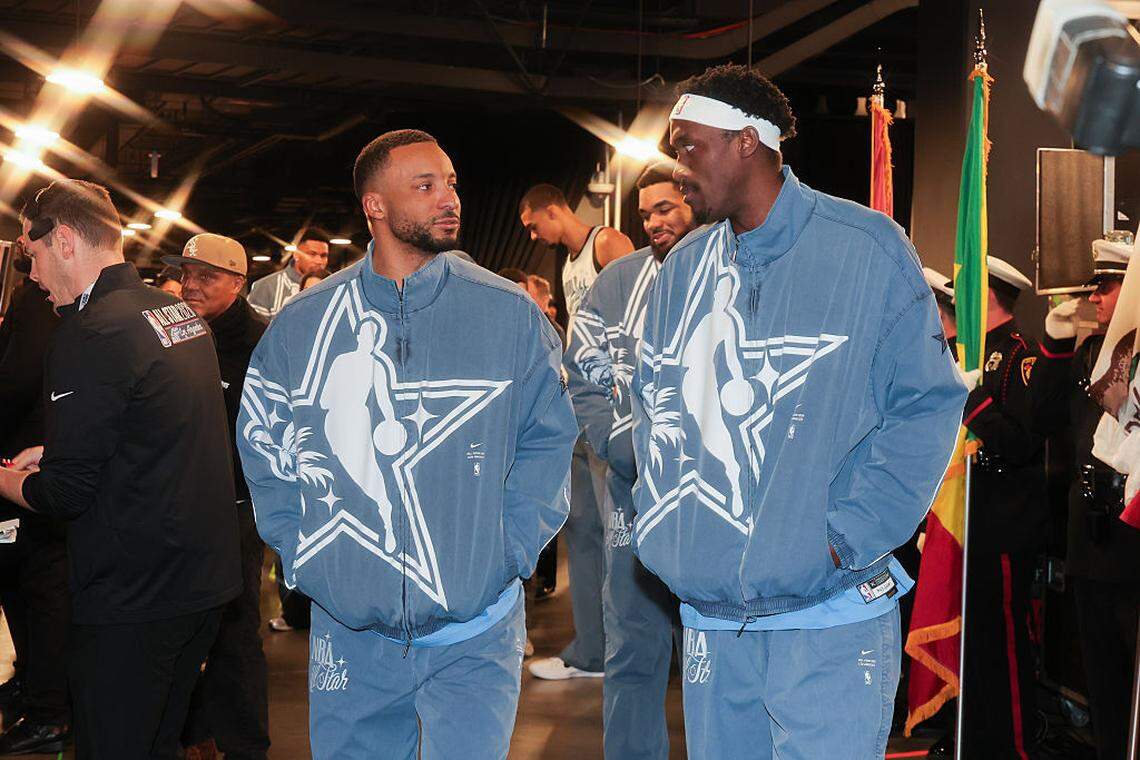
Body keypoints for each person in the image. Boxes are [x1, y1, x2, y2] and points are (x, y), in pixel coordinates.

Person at [631, 65, 966, 759]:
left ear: (747, 142)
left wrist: (843, 538)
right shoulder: (685, 268)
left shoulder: (867, 248)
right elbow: (654, 405)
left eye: (689, 145)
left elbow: (925, 407)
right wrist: (669, 533)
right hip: (713, 620)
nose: (677, 167)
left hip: (830, 615)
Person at [237, 129, 577, 759]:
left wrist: (508, 549)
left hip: (475, 627)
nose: (448, 198)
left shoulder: (508, 315)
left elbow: (548, 442)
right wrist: (309, 555)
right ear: (376, 206)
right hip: (351, 631)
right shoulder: (304, 327)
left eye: (450, 183)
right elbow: (265, 449)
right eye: (425, 187)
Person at [0, 179, 241, 759]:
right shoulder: (174, 313)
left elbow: (64, 495)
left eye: (31, 256)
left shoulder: (91, 331)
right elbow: (153, 435)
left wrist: (5, 477)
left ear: (61, 241)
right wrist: (52, 454)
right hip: (201, 585)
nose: (31, 276)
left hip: (134, 599)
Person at [566, 162, 695, 759]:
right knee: (634, 648)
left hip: (711, 502)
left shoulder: (736, 268)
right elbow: (583, 370)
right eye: (645, 213)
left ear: (695, 199)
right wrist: (624, 449)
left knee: (712, 657)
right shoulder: (616, 281)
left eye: (665, 208)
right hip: (629, 495)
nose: (653, 222)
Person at [161, 234, 271, 760]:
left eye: (206, 276)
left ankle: (246, 746)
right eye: (187, 273)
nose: (191, 285)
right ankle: (195, 732)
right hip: (184, 503)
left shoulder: (260, 341)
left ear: (237, 282)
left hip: (237, 508)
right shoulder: (178, 331)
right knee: (186, 626)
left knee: (234, 629)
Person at [520, 184, 630, 681]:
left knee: (618, 534)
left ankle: (626, 648)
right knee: (582, 531)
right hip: (580, 410)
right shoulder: (566, 266)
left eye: (532, 223)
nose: (532, 234)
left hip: (613, 409)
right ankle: (591, 649)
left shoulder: (606, 243)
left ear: (553, 209)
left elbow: (640, 310)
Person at [1036, 235, 1140, 760]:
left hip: (1131, 545)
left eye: (1109, 286)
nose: (1095, 298)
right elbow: (1045, 415)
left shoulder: (1136, 355)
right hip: (1089, 541)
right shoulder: (1093, 354)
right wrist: (1055, 344)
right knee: (1103, 683)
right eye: (1095, 288)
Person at [951, 256, 1048, 759]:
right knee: (978, 642)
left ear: (988, 295)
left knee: (1006, 644)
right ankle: (976, 738)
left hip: (1007, 518)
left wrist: (975, 403)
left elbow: (1023, 443)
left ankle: (1012, 747)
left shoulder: (1018, 355)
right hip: (975, 517)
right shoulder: (974, 350)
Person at [0, 251, 70, 756]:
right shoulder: (40, 301)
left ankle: (48, 709)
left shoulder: (39, 303)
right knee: (26, 587)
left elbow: (20, 380)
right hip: (31, 460)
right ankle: (38, 693)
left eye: (29, 236)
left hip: (27, 466)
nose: (23, 243)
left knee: (36, 589)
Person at [247, 228, 330, 318]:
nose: (319, 261)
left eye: (323, 256)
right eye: (312, 254)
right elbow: (256, 329)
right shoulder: (266, 287)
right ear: (296, 254)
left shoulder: (336, 285)